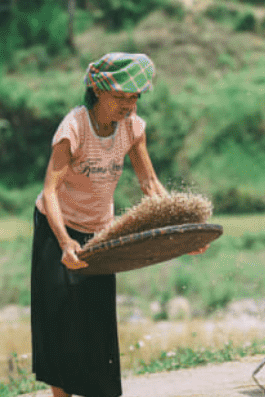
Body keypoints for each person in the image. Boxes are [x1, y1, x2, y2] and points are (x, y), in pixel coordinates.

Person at [31, 52, 167, 397]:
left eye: (134, 97)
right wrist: (64, 243)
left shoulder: (133, 129)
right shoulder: (73, 128)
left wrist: (180, 229)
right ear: (98, 92)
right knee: (59, 316)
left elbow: (149, 184)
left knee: (97, 320)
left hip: (100, 229)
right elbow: (50, 191)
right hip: (56, 226)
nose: (128, 104)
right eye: (120, 96)